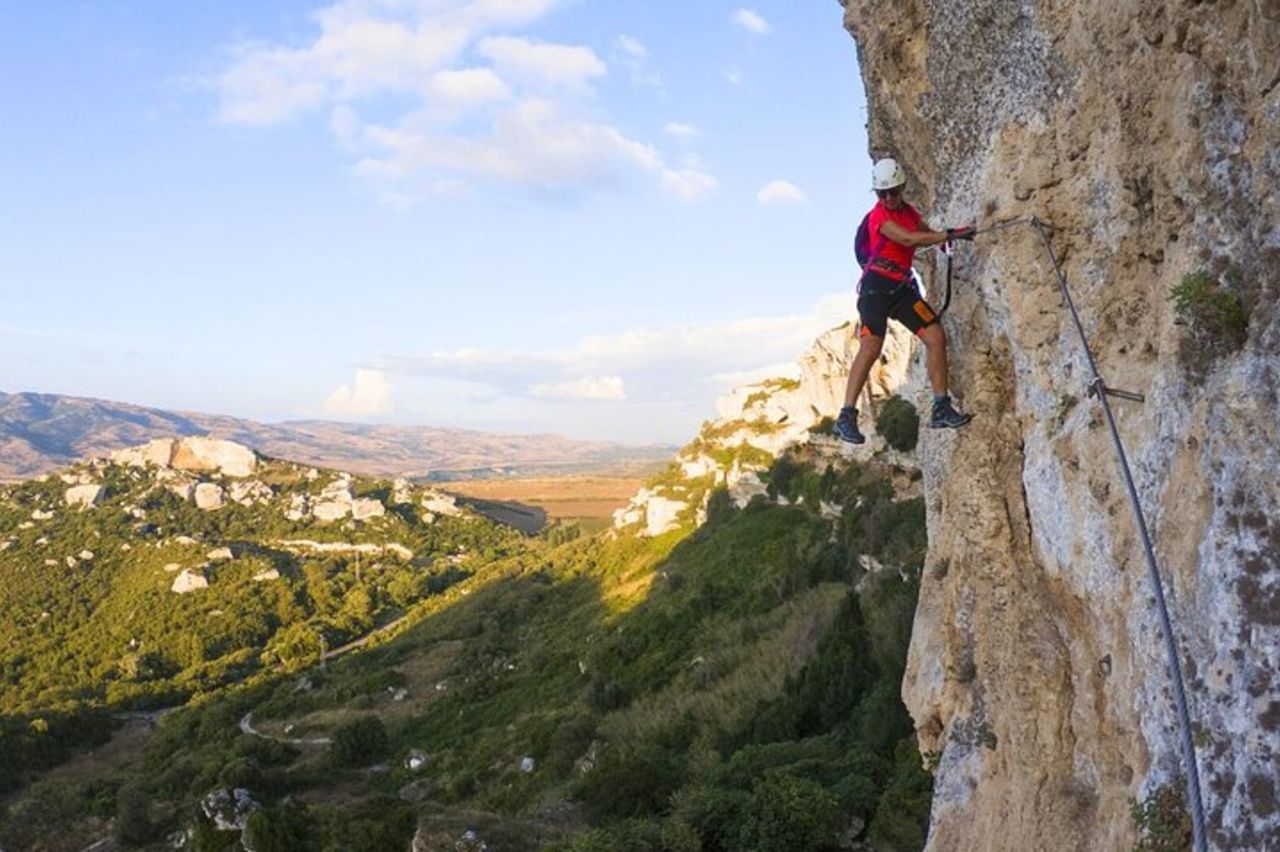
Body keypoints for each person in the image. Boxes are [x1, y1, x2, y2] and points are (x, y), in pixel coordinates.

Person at [834, 158, 975, 444]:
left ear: (902, 187)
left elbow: (923, 233)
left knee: (935, 336)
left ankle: (941, 407)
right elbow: (910, 240)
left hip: (900, 288)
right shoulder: (878, 217)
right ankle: (846, 415)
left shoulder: (909, 213)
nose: (888, 198)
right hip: (875, 287)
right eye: (882, 194)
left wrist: (949, 236)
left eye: (893, 192)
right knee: (872, 345)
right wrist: (949, 235)